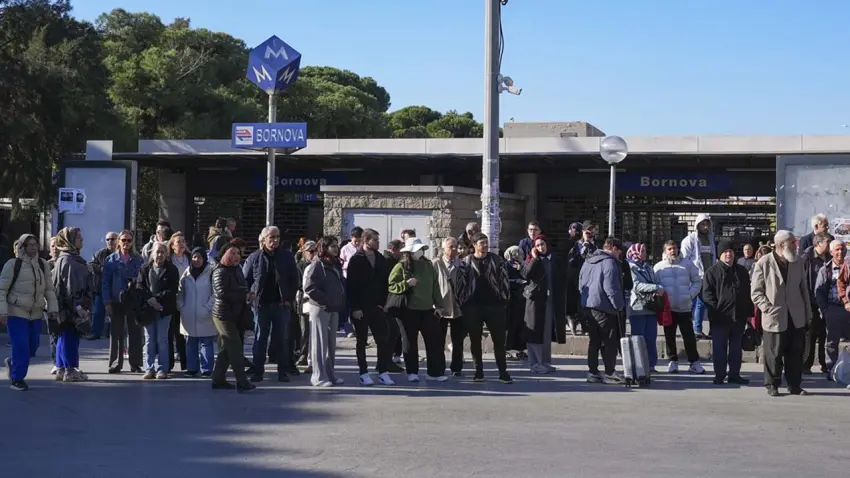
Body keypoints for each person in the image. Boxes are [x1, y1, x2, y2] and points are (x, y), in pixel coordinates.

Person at [751, 230, 811, 396]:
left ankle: (794, 385)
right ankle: (772, 385)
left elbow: (803, 289)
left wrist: (807, 313)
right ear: (781, 245)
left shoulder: (797, 262)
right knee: (773, 353)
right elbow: (756, 292)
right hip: (775, 315)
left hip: (796, 315)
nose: (796, 245)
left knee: (795, 352)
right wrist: (768, 308)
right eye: (792, 242)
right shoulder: (764, 262)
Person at [1, 234, 58, 391]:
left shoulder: (42, 264)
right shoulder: (13, 264)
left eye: (35, 244)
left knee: (33, 346)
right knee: (21, 347)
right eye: (29, 245)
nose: (33, 247)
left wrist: (53, 308)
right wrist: (2, 312)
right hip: (16, 311)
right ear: (22, 247)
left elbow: (49, 288)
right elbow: (2, 289)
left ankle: (13, 362)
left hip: (36, 312)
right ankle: (17, 379)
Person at [243, 226, 300, 382]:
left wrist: (289, 299)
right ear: (263, 239)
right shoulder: (255, 257)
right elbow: (245, 279)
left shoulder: (286, 257)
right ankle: (258, 370)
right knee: (260, 338)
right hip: (261, 305)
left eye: (277, 237)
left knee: (282, 338)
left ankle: (283, 371)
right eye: (271, 237)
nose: (275, 240)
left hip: (281, 304)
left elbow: (294, 279)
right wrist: (250, 295)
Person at [455, 233, 513, 384]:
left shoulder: (496, 260)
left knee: (499, 341)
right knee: (475, 340)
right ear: (474, 245)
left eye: (486, 243)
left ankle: (503, 372)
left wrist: (504, 300)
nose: (485, 246)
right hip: (473, 307)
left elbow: (504, 280)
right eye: (482, 243)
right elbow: (460, 285)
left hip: (495, 307)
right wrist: (463, 302)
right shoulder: (465, 262)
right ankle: (478, 371)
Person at [389, 237, 449, 383]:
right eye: (417, 250)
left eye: (421, 249)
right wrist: (406, 284)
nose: (420, 252)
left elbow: (435, 287)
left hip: (428, 310)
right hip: (408, 310)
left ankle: (434, 372)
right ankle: (412, 371)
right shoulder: (401, 266)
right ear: (410, 252)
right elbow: (391, 285)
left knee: (434, 341)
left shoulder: (428, 265)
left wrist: (439, 306)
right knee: (409, 342)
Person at [346, 228, 399, 386]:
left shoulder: (380, 258)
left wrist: (383, 304)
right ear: (366, 240)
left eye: (377, 239)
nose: (378, 242)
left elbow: (386, 282)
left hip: (377, 307)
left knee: (382, 339)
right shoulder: (356, 259)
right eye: (374, 240)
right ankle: (363, 372)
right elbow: (352, 285)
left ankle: (382, 371)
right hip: (360, 309)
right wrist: (355, 308)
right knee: (361, 341)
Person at [702, 240, 753, 385]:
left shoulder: (741, 271)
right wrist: (715, 310)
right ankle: (719, 375)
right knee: (719, 349)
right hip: (720, 318)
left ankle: (734, 374)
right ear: (720, 255)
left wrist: (749, 314)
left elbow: (747, 293)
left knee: (736, 350)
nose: (728, 254)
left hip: (739, 317)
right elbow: (707, 295)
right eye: (725, 252)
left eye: (730, 251)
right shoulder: (712, 272)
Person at [654, 240, 706, 374]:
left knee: (689, 336)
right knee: (669, 336)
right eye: (670, 249)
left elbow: (697, 281)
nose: (673, 251)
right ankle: (673, 361)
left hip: (685, 308)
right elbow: (655, 285)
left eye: (675, 248)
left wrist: (690, 295)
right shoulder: (658, 268)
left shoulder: (688, 264)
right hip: (668, 309)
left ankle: (694, 362)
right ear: (665, 252)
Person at [579, 237, 626, 384]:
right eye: (619, 252)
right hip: (605, 308)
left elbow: (580, 283)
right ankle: (610, 372)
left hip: (588, 306)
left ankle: (593, 372)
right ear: (613, 248)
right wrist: (618, 305)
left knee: (594, 342)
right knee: (608, 342)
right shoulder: (609, 262)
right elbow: (611, 288)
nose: (619, 256)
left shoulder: (588, 261)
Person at [210, 240, 255, 392]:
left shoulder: (237, 269)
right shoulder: (219, 271)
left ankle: (218, 378)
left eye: (238, 253)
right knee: (235, 347)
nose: (236, 256)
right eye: (232, 253)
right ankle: (242, 381)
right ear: (224, 254)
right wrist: (244, 293)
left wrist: (246, 293)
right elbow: (222, 293)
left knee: (225, 349)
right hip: (223, 315)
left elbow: (242, 286)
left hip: (236, 314)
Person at [51, 227, 94, 383]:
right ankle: (70, 370)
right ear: (69, 241)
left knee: (64, 336)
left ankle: (62, 369)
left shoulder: (69, 258)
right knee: (69, 337)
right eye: (78, 238)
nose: (82, 240)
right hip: (70, 307)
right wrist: (79, 308)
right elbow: (71, 287)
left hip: (65, 306)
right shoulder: (68, 260)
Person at [303, 236, 347, 387]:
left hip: (333, 308)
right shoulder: (317, 264)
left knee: (330, 344)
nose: (336, 248)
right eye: (332, 246)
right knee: (319, 344)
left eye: (337, 245)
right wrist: (325, 301)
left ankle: (330, 374)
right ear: (324, 248)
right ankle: (318, 377)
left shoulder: (335, 264)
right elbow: (309, 287)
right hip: (320, 308)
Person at [521, 234, 566, 374]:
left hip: (550, 301)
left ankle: (545, 362)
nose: (541, 247)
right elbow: (525, 274)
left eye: (543, 244)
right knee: (534, 331)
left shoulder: (554, 259)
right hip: (535, 301)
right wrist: (534, 259)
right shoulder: (533, 259)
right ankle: (534, 363)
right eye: (538, 245)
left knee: (546, 333)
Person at [102, 230, 145, 374]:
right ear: (118, 241)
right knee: (116, 333)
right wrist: (107, 302)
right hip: (115, 300)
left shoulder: (138, 260)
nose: (126, 243)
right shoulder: (111, 260)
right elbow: (105, 282)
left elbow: (143, 281)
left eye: (129, 240)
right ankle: (115, 363)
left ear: (132, 243)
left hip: (133, 300)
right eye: (123, 240)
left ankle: (136, 363)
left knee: (135, 332)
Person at [136, 242, 180, 380]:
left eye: (162, 252)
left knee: (162, 339)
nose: (159, 255)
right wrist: (150, 300)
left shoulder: (172, 270)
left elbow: (172, 290)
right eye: (157, 252)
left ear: (166, 254)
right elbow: (139, 286)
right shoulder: (144, 269)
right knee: (149, 340)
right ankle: (149, 368)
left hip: (164, 309)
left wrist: (157, 300)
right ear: (151, 253)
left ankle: (162, 369)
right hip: (147, 310)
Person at [177, 247, 216, 377]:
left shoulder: (211, 272)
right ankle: (192, 368)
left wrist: (208, 307)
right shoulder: (187, 273)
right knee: (190, 343)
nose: (196, 260)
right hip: (188, 314)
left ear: (204, 258)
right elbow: (180, 291)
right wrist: (181, 306)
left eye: (199, 257)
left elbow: (215, 293)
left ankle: (207, 369)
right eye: (194, 257)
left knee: (206, 343)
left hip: (205, 313)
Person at [815, 239, 850, 381]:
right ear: (831, 252)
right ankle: (832, 370)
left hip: (848, 309)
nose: (840, 252)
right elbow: (818, 292)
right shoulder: (825, 270)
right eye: (837, 249)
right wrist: (825, 310)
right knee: (831, 342)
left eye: (842, 249)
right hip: (833, 309)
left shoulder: (849, 267)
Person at [626, 243, 662, 375]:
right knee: (639, 339)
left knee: (651, 338)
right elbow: (636, 286)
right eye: (642, 251)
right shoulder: (630, 267)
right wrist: (656, 288)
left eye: (645, 251)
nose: (645, 253)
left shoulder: (648, 267)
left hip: (650, 306)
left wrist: (657, 288)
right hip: (637, 307)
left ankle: (651, 365)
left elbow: (653, 281)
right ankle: (639, 366)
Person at [433, 237, 467, 375]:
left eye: (455, 247)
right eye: (450, 247)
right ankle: (439, 367)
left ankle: (456, 367)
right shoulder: (436, 263)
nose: (453, 250)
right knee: (438, 339)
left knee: (457, 340)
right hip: (440, 307)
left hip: (457, 307)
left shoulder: (461, 264)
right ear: (443, 249)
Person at [680, 214, 717, 339]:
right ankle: (697, 329)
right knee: (699, 303)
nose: (705, 227)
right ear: (697, 225)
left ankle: (709, 329)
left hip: (709, 276)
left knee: (709, 303)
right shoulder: (690, 240)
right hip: (697, 276)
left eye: (707, 224)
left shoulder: (710, 239)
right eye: (703, 224)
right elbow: (685, 259)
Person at [802, 232, 831, 374]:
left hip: (826, 301)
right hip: (811, 302)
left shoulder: (829, 258)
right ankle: (806, 364)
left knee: (824, 334)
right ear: (818, 244)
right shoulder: (806, 258)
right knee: (811, 334)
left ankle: (824, 364)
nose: (830, 245)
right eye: (827, 242)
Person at [566, 221, 596, 336]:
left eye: (592, 233)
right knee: (575, 302)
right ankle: (573, 321)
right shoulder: (574, 246)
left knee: (586, 304)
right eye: (588, 232)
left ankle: (585, 325)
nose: (590, 235)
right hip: (575, 278)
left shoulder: (595, 246)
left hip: (590, 279)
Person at [167, 232, 190, 372]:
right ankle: (168, 363)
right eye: (178, 242)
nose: (181, 244)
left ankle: (185, 363)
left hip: (187, 298)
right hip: (172, 299)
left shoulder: (190, 258)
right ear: (172, 245)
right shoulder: (169, 260)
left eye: (183, 241)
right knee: (170, 332)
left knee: (183, 333)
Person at [88, 231, 118, 340]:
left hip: (115, 289)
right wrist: (102, 269)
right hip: (100, 288)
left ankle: (112, 333)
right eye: (108, 239)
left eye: (113, 239)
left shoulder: (120, 254)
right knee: (98, 312)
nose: (110, 241)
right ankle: (95, 333)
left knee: (115, 313)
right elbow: (91, 266)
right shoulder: (100, 254)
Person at [503, 245, 527, 361]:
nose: (519, 255)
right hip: (510, 298)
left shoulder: (521, 265)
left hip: (520, 298)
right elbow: (503, 280)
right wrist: (516, 281)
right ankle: (507, 348)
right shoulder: (506, 265)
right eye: (516, 253)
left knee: (520, 324)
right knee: (510, 324)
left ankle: (519, 348)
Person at [295, 241, 316, 369]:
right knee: (305, 330)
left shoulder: (319, 264)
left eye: (315, 251)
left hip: (317, 301)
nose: (313, 254)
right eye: (310, 251)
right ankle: (302, 353)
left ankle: (312, 357)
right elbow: (298, 284)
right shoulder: (300, 265)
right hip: (304, 300)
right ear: (304, 253)